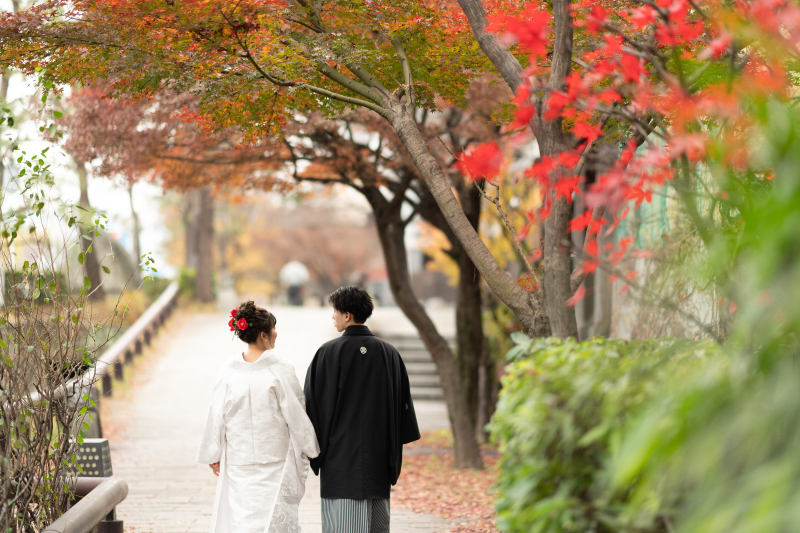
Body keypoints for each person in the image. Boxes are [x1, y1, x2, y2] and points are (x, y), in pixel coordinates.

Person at [304, 286, 420, 533]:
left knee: (342, 526)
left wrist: (312, 449)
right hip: (378, 457)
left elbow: (315, 405)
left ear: (347, 315)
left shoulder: (328, 353)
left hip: (340, 460)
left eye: (335, 311)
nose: (332, 316)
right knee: (376, 525)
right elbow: (403, 405)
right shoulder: (389, 353)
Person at [197, 301, 320, 533]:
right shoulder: (279, 369)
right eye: (273, 328)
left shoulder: (229, 371)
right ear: (263, 335)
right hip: (275, 460)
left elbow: (216, 414)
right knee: (273, 521)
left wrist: (213, 453)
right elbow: (296, 413)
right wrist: (310, 449)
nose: (276, 332)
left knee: (241, 520)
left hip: (239, 461)